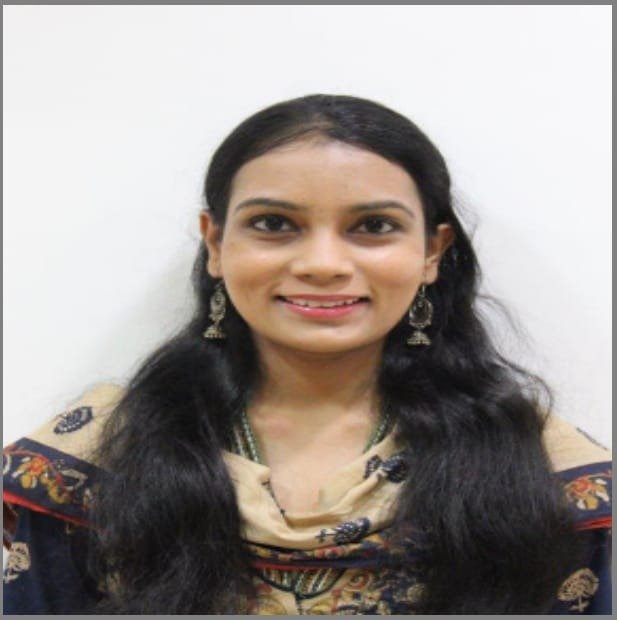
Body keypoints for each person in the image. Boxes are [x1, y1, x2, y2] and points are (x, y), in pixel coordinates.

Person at [3, 94, 611, 614]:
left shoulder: (543, 472)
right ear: (215, 243)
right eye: (274, 224)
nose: (323, 264)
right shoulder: (98, 457)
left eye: (374, 226)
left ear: (432, 251)